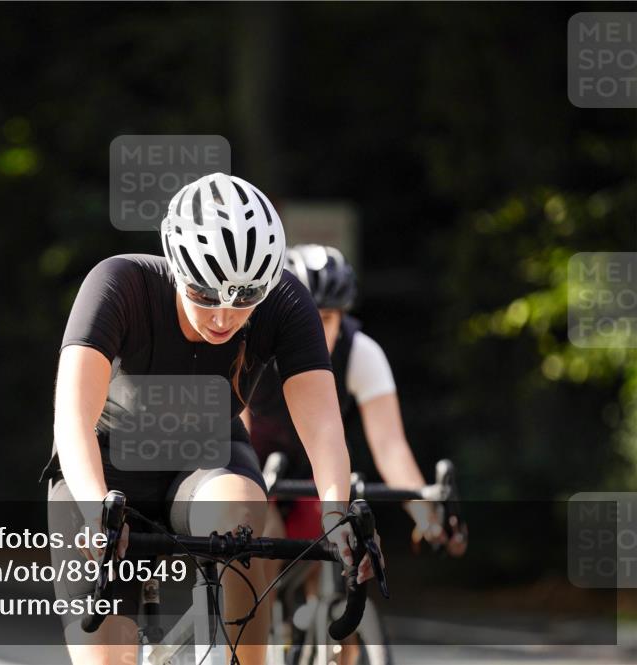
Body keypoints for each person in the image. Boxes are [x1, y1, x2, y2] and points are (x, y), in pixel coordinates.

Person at [42, 174, 382, 665]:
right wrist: (96, 512)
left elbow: (324, 425)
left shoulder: (285, 300)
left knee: (241, 512)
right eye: (204, 295)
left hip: (207, 456)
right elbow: (72, 418)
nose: (224, 317)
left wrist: (336, 517)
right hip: (105, 464)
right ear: (176, 267)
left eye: (244, 298)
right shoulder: (118, 283)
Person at [247, 244, 468, 552]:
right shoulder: (253, 347)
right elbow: (236, 431)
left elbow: (390, 446)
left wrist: (427, 516)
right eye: (300, 317)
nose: (309, 331)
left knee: (332, 536)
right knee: (261, 531)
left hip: (317, 472)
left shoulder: (361, 353)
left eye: (323, 319)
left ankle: (321, 600)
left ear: (343, 316)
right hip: (253, 465)